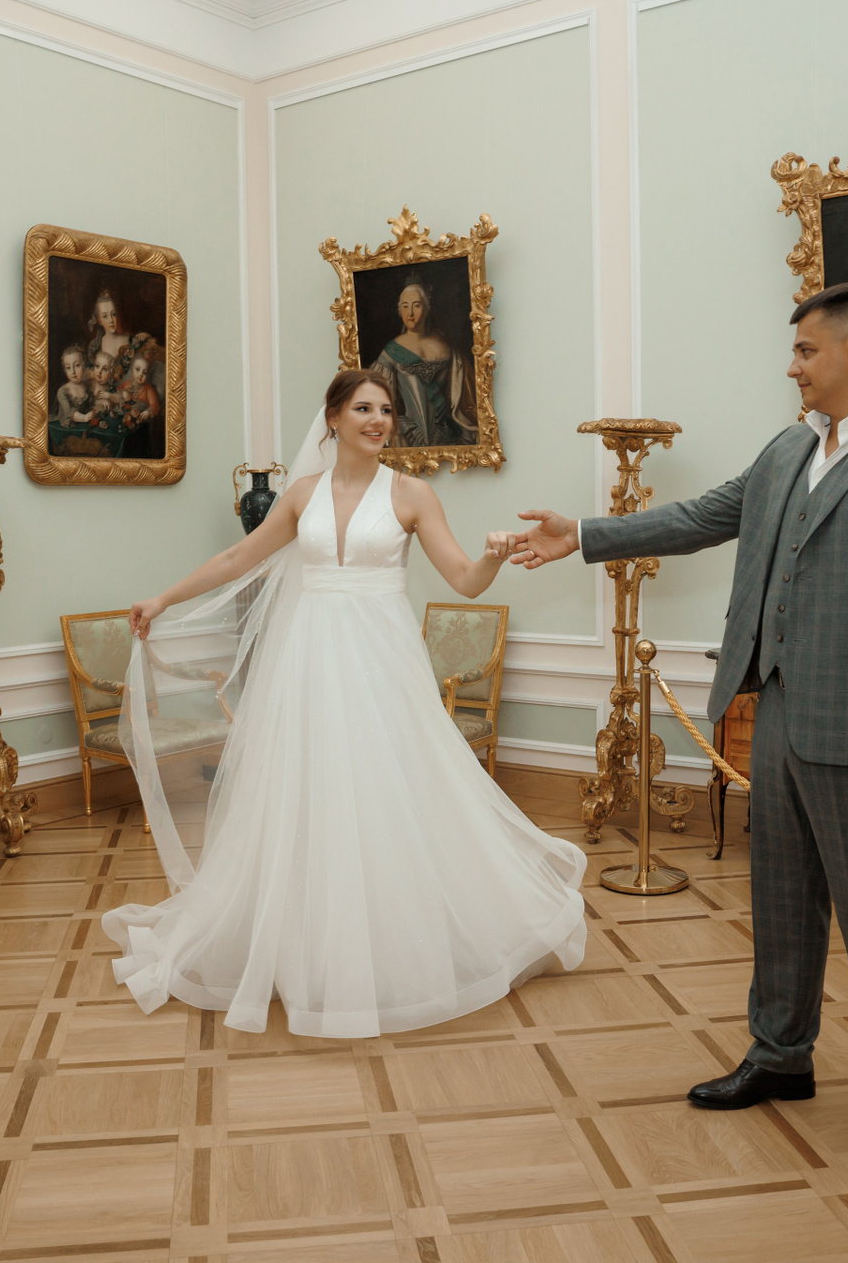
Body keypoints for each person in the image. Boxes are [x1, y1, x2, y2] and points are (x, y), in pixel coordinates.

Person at [511, 281, 848, 1163]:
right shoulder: (788, 448)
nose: (792, 366)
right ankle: (779, 1055)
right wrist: (582, 533)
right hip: (775, 713)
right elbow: (701, 517)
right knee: (779, 901)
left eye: (805, 350)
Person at [108, 369, 586, 1038]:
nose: (378, 420)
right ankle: (306, 943)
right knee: (309, 792)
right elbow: (240, 557)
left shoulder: (412, 494)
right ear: (332, 418)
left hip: (381, 663)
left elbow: (464, 581)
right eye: (363, 408)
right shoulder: (301, 495)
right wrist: (162, 598)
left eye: (386, 409)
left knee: (388, 791)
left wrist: (493, 557)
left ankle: (398, 943)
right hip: (308, 659)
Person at [370, 278, 476, 447]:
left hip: (445, 436)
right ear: (399, 310)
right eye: (405, 306)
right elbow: (378, 400)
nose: (410, 313)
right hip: (406, 436)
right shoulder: (392, 351)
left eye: (416, 305)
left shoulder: (448, 349)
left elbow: (462, 399)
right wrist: (394, 429)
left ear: (427, 308)